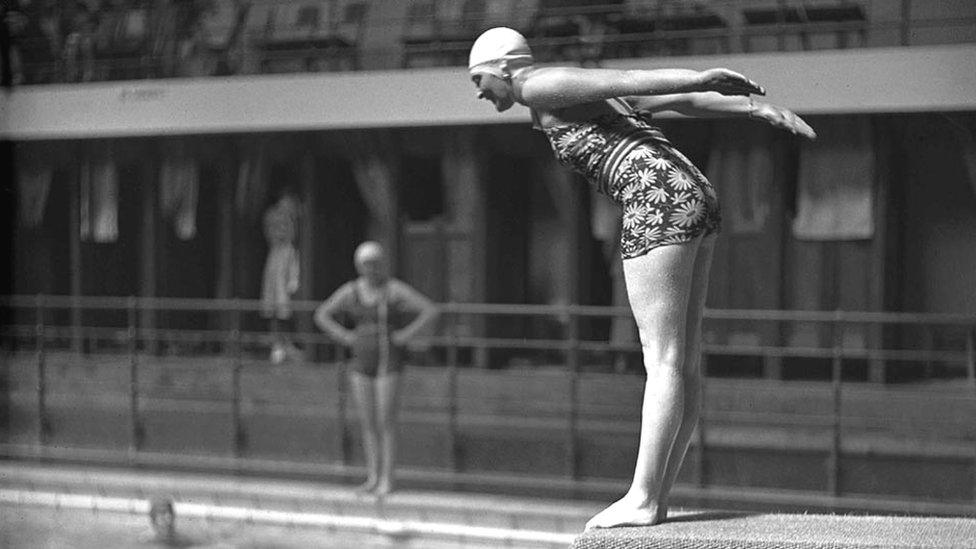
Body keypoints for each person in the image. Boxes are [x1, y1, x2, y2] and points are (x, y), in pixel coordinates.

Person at [466, 27, 815, 530]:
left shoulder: (537, 85)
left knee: (664, 357)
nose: (479, 92)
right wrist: (752, 109)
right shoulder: (559, 96)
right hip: (691, 193)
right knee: (682, 358)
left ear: (505, 66)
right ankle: (656, 497)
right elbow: (679, 102)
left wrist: (701, 74)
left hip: (657, 200)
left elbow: (632, 77)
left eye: (479, 78)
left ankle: (644, 497)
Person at [314, 241, 439, 495]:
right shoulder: (351, 291)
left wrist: (406, 335)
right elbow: (323, 314)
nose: (371, 269)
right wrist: (344, 336)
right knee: (367, 422)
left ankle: (387, 478)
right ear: (359, 266)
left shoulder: (392, 290)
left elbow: (429, 310)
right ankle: (373, 475)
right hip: (361, 359)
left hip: (387, 360)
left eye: (376, 264)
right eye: (366, 264)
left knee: (386, 421)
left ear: (382, 265)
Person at [260, 185, 302, 364]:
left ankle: (287, 344)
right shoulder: (273, 215)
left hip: (288, 256)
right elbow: (274, 233)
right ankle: (277, 345)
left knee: (286, 305)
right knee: (275, 303)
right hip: (278, 257)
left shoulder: (293, 215)